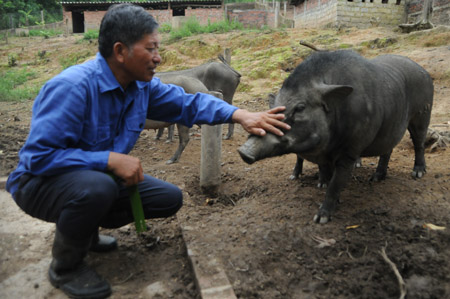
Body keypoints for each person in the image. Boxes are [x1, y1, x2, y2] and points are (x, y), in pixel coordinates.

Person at [6, 3, 290, 299]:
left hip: (91, 178)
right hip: (38, 184)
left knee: (168, 198)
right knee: (97, 187)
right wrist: (108, 159)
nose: (159, 57)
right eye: (151, 48)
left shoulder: (139, 86)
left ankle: (84, 233)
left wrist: (240, 114)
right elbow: (38, 158)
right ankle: (65, 266)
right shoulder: (72, 87)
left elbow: (188, 103)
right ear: (120, 51)